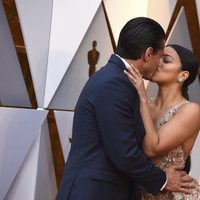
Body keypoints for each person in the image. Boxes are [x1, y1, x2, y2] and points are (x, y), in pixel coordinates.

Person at [56, 18, 193, 200]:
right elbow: (125, 154)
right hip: (94, 192)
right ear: (148, 54)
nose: (159, 64)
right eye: (160, 57)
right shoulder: (115, 83)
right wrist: (164, 179)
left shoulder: (120, 80)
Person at [124, 44, 200, 199]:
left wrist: (142, 98)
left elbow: (152, 148)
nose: (158, 63)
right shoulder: (145, 105)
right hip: (139, 194)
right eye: (158, 58)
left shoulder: (191, 110)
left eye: (166, 60)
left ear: (183, 75)